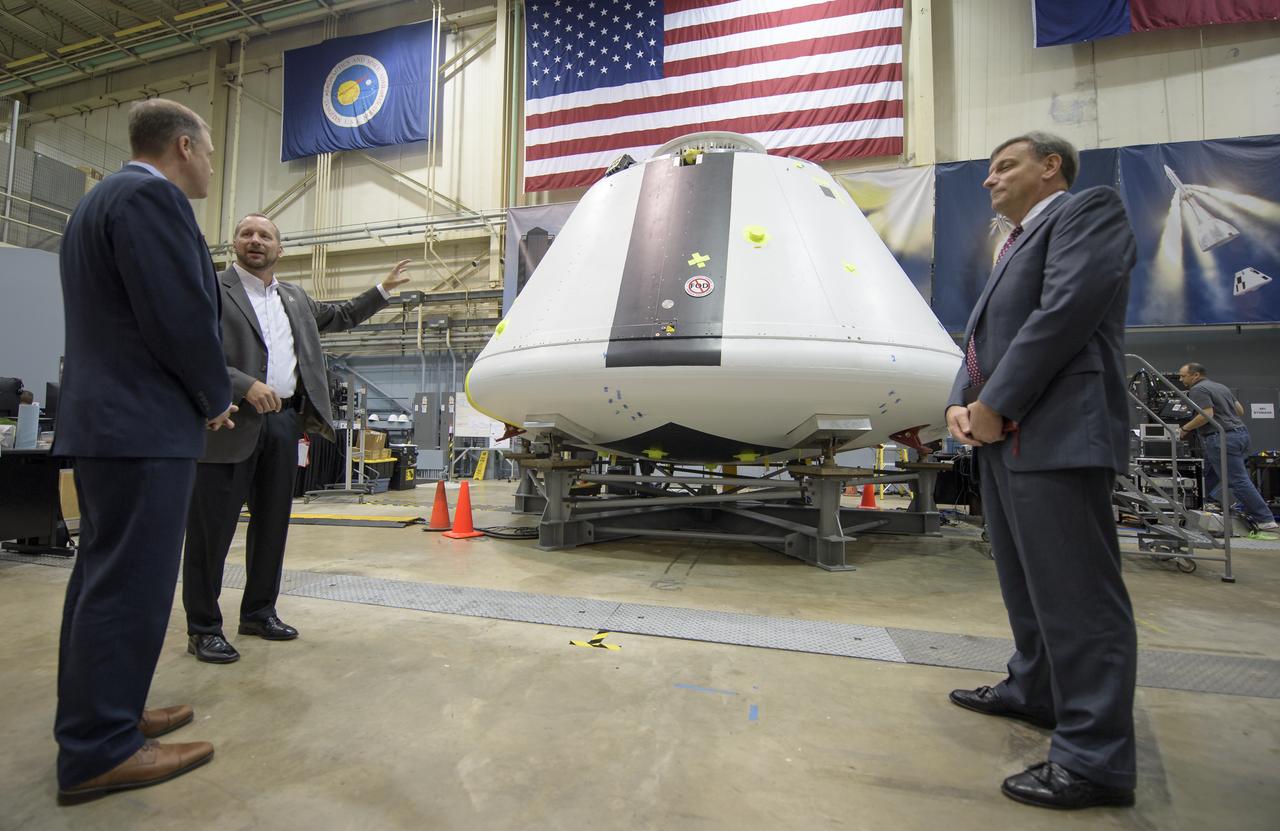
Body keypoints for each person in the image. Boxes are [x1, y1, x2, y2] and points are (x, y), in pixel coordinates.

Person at [944, 132, 1139, 810]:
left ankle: (1096, 758)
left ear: (1050, 166)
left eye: (1005, 166)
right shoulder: (1013, 242)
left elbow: (1064, 313)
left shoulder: (1088, 211)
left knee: (1078, 596)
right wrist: (957, 403)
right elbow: (981, 335)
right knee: (1025, 581)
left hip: (1057, 428)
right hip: (1006, 436)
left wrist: (995, 402)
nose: (989, 179)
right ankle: (1037, 687)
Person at [51, 99, 235, 803]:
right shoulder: (151, 199)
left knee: (102, 580)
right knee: (129, 587)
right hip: (141, 425)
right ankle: (100, 747)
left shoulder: (97, 201)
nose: (212, 165)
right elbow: (180, 315)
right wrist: (213, 395)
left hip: (106, 425)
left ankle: (107, 714)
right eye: (211, 152)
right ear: (184, 146)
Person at [183, 212, 411, 663]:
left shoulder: (294, 297)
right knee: (212, 531)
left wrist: (382, 290)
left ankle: (258, 612)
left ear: (280, 249)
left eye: (265, 235)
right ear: (234, 244)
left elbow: (342, 315)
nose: (255, 240)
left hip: (285, 423)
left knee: (272, 526)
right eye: (246, 233)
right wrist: (241, 384)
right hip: (229, 421)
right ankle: (203, 627)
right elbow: (192, 348)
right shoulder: (212, 289)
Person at [1177, 363, 1277, 535]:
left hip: (1221, 438)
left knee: (1237, 480)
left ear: (1195, 375)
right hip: (1240, 434)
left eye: (1183, 376)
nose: (1180, 379)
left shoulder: (1198, 390)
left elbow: (1206, 414)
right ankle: (1195, 508)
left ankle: (1265, 520)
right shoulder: (1220, 386)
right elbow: (1239, 410)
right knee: (1207, 476)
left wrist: (1184, 429)